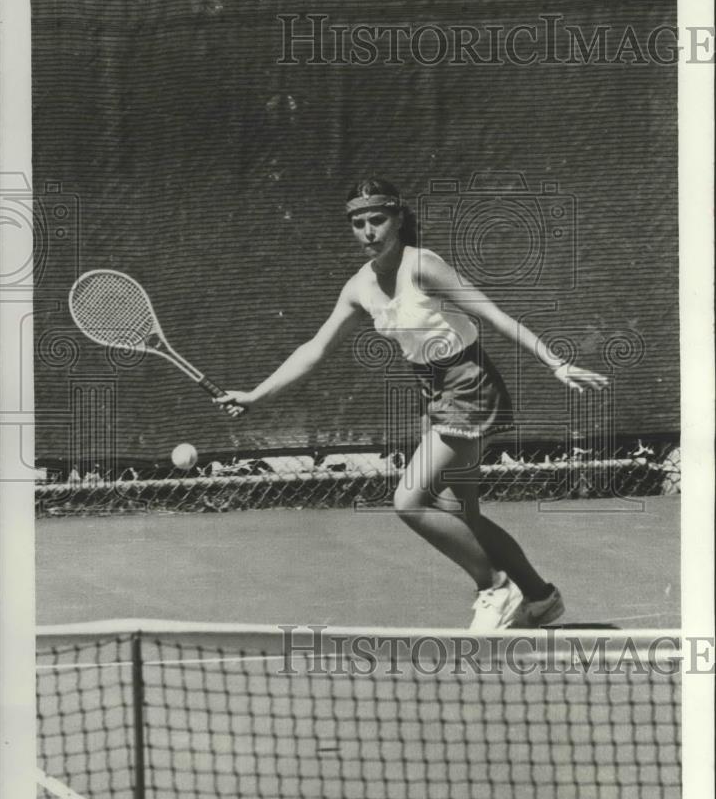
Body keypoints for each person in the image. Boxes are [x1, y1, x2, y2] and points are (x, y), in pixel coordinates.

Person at [216, 178, 609, 631]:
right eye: (358, 223)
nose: (368, 231)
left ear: (399, 218)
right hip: (436, 394)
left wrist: (554, 362)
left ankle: (494, 586)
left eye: (377, 220)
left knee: (409, 499)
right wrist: (254, 394)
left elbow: (494, 314)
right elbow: (315, 348)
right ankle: (540, 598)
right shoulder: (359, 287)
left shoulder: (424, 266)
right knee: (462, 513)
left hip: (469, 389)